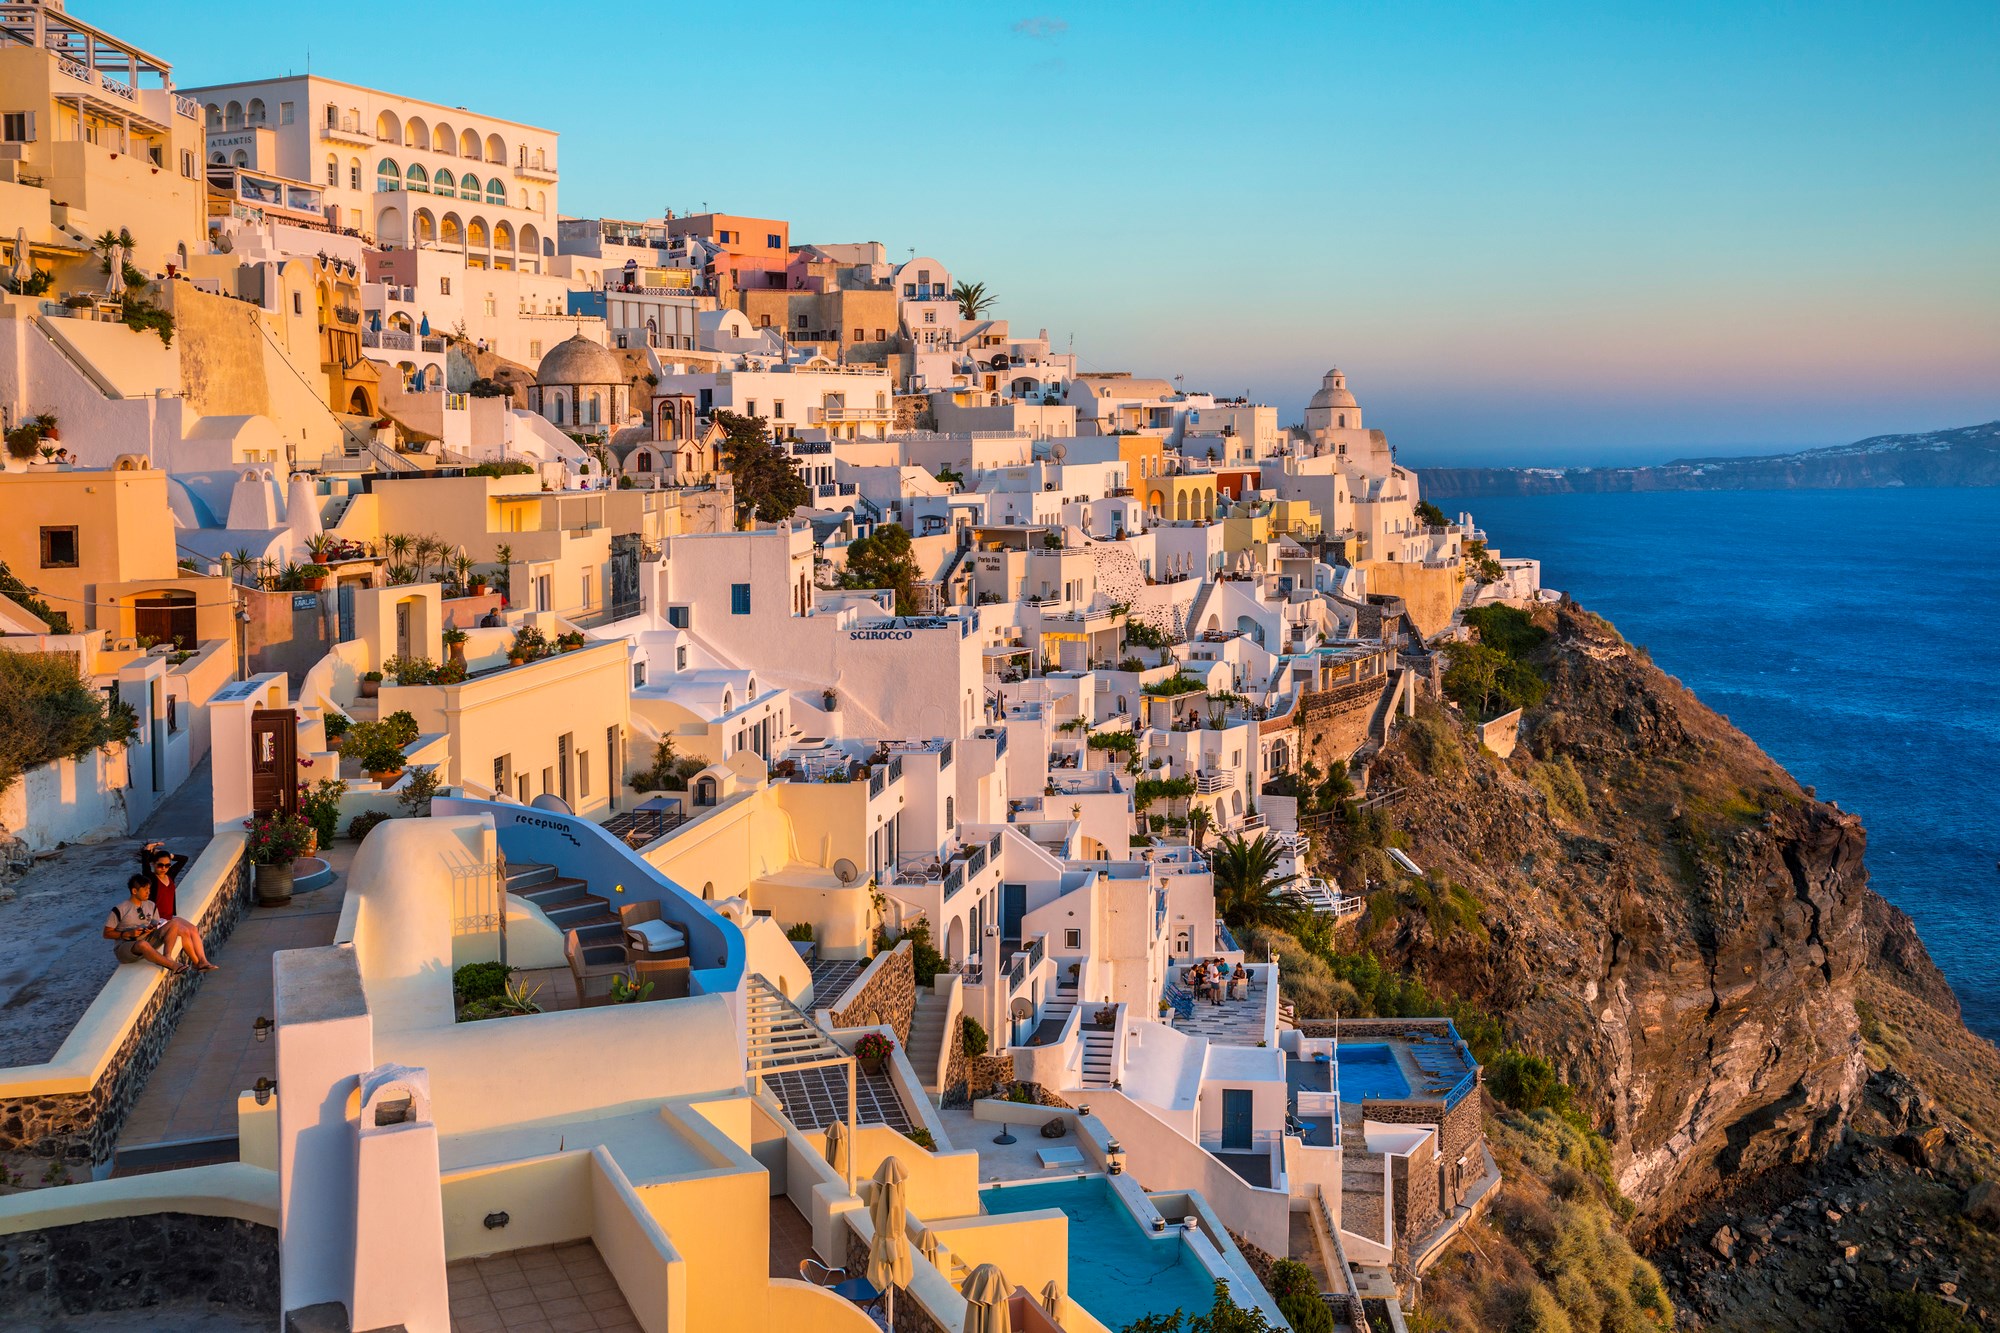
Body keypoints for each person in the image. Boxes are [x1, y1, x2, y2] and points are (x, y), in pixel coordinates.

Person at [104, 874, 216, 973]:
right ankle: (173, 966)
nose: (148, 892)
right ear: (134, 891)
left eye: (149, 889)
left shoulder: (151, 905)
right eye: (144, 889)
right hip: (125, 948)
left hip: (146, 939)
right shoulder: (120, 909)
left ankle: (167, 956)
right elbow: (106, 933)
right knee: (142, 945)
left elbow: (155, 924)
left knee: (175, 923)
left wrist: (151, 928)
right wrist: (125, 934)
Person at [138, 841, 187, 920]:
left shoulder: (170, 876)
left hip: (169, 918)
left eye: (167, 865)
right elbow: (145, 867)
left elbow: (184, 859)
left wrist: (168, 855)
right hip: (156, 919)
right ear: (153, 864)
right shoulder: (151, 878)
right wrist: (146, 850)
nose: (164, 868)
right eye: (160, 865)